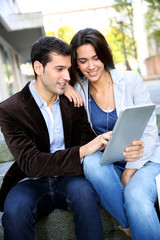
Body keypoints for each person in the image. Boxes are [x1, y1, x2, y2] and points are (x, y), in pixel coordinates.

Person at [0, 36, 121, 240]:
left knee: (85, 195)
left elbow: (87, 138)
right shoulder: (10, 109)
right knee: (14, 212)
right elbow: (32, 163)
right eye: (59, 69)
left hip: (70, 178)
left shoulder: (72, 101)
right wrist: (83, 151)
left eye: (68, 68)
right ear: (38, 68)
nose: (66, 76)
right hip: (30, 180)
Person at [64, 28, 160, 240]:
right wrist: (65, 88)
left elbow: (151, 131)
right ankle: (129, 225)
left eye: (96, 58)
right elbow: (43, 82)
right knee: (89, 161)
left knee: (135, 196)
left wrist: (130, 170)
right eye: (83, 61)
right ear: (76, 64)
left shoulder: (130, 79)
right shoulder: (79, 91)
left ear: (104, 55)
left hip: (145, 160)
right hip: (110, 164)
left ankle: (129, 225)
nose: (91, 66)